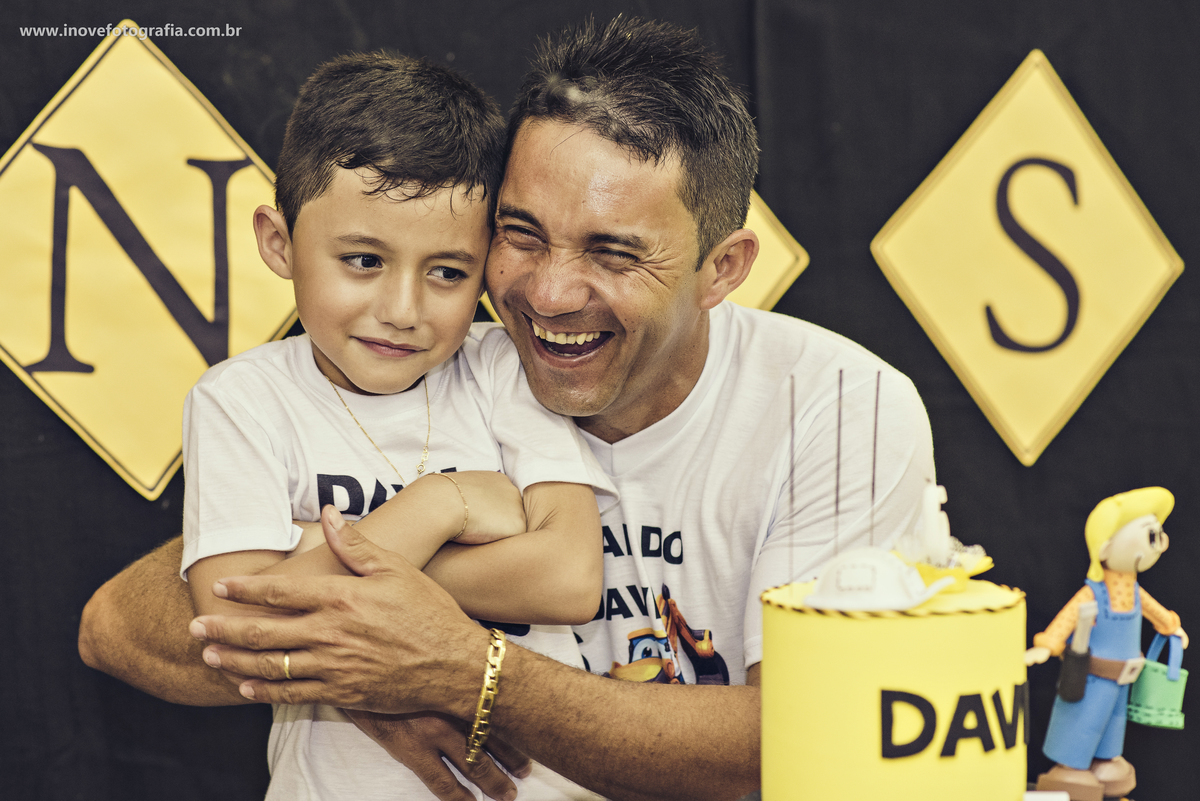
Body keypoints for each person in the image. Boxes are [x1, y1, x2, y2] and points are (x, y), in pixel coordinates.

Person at [80, 17, 935, 801]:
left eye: (613, 252)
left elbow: (808, 733)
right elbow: (118, 626)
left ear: (724, 267)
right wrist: (370, 652)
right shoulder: (462, 362)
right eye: (521, 234)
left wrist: (443, 660)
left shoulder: (838, 406)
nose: (550, 294)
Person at [175, 50, 616, 800]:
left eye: (447, 272)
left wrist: (316, 557)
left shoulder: (496, 365)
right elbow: (239, 624)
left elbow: (570, 579)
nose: (403, 309)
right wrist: (443, 505)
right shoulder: (242, 400)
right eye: (362, 260)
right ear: (279, 242)